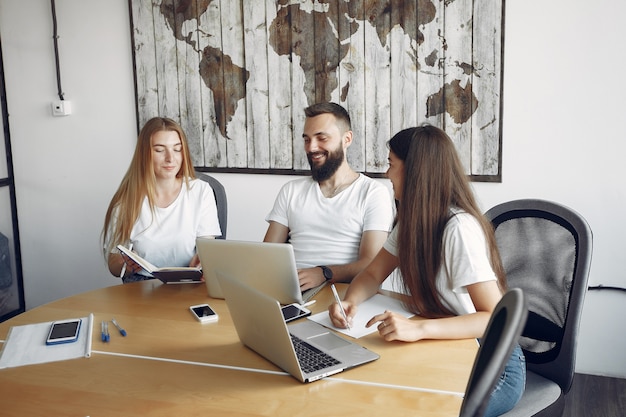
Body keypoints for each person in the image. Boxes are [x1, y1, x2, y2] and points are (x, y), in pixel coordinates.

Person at [328, 125, 525, 417]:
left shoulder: (458, 228)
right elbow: (372, 275)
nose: (386, 174)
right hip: (446, 347)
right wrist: (350, 302)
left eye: (391, 165)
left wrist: (418, 329)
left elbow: (493, 319)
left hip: (493, 365)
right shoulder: (413, 221)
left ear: (415, 171)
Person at [264, 102, 394, 291]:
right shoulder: (291, 190)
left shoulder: (373, 193)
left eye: (321, 138)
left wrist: (323, 273)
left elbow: (371, 264)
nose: (311, 147)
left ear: (346, 139)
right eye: (307, 139)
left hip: (342, 296)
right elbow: (267, 254)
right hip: (291, 292)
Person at [102, 117, 221, 283]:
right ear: (145, 154)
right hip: (141, 285)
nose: (170, 158)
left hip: (189, 283)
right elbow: (114, 265)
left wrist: (203, 259)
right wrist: (126, 266)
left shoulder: (201, 191)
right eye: (159, 150)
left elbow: (208, 246)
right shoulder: (126, 200)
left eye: (177, 149)